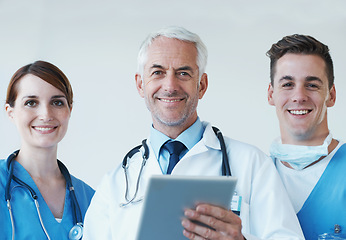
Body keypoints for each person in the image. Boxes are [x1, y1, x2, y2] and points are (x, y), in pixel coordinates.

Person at [83, 26, 304, 240]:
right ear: (141, 85)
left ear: (202, 85)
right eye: (158, 72)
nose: (170, 85)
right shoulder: (115, 184)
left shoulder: (251, 164)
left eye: (183, 73)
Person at [0, 60, 95, 240]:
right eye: (31, 102)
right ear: (10, 112)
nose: (46, 115)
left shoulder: (89, 198)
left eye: (57, 103)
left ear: (70, 110)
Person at [267, 34, 346, 239]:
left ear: (331, 95)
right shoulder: (255, 175)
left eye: (312, 85)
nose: (299, 96)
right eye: (287, 84)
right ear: (271, 95)